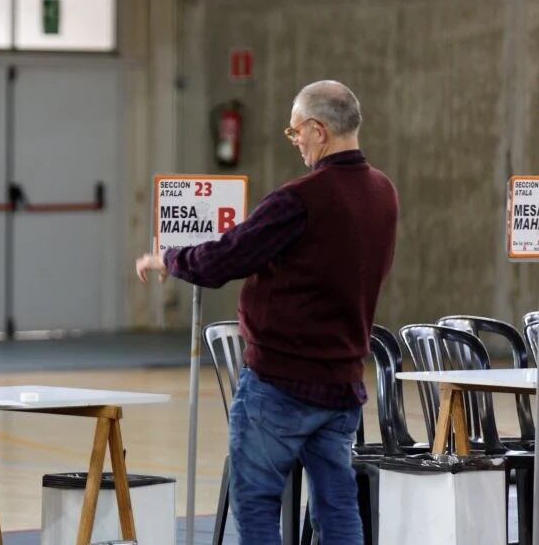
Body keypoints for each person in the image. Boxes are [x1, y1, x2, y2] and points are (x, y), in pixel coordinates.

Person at [136, 80, 398, 544]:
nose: (295, 140)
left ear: (318, 130)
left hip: (281, 384)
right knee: (337, 508)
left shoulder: (301, 198)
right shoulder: (383, 192)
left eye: (295, 131)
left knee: (256, 505)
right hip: (342, 385)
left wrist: (169, 257)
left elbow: (223, 259)